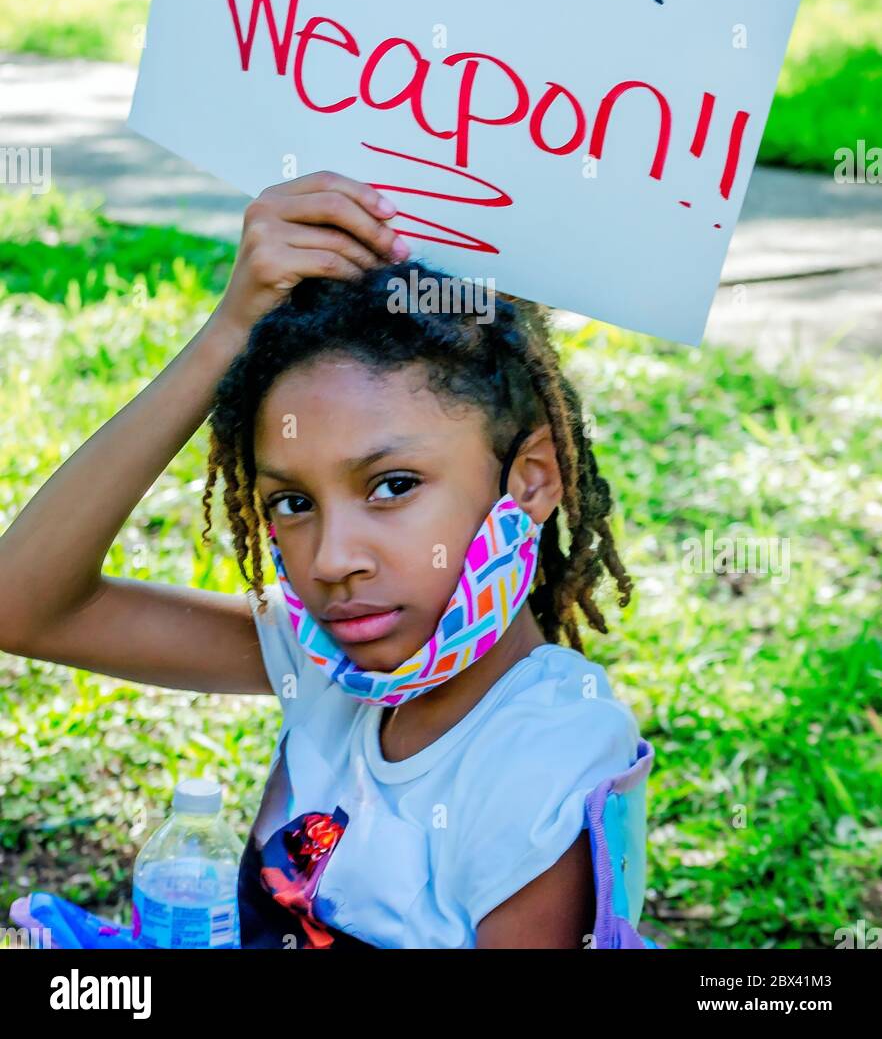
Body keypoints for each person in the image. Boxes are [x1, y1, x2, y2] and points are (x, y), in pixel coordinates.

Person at [0, 170, 658, 950]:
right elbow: (23, 604)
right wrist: (225, 334)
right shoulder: (321, 656)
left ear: (533, 478)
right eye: (292, 503)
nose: (334, 560)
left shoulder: (545, 758)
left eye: (393, 485)